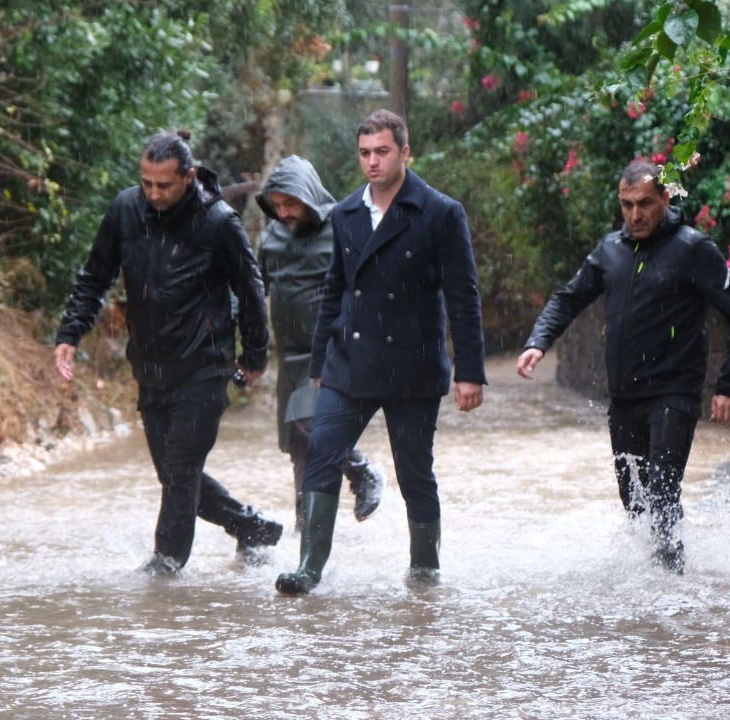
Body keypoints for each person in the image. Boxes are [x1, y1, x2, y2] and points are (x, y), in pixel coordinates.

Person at [275, 110, 487, 595]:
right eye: (365, 153)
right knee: (324, 450)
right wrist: (317, 366)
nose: (373, 162)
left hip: (414, 363)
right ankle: (309, 567)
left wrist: (470, 371)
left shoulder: (439, 212)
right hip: (349, 361)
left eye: (382, 152)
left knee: (414, 470)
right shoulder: (346, 213)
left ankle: (425, 569)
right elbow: (335, 290)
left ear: (405, 153)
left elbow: (463, 295)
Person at [53, 130, 283, 576]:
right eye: (147, 183)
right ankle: (249, 526)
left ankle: (165, 565)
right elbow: (94, 276)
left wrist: (254, 356)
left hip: (204, 367)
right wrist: (70, 331)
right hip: (151, 367)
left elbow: (251, 291)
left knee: (180, 470)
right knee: (176, 475)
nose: (154, 194)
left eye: (164, 185)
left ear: (189, 177)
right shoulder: (125, 210)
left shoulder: (219, 223)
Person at [516, 159, 730, 575]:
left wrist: (727, 387)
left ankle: (672, 592)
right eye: (626, 205)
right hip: (625, 398)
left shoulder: (692, 248)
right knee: (635, 505)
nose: (635, 215)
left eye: (644, 203)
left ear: (665, 198)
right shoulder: (610, 250)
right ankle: (648, 598)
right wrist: (539, 342)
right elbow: (567, 298)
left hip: (673, 395)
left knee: (663, 494)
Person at [255, 155, 387, 531]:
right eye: (277, 206)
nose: (284, 213)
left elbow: (371, 285)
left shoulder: (343, 226)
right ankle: (307, 536)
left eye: (291, 203)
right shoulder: (272, 237)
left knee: (310, 419)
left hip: (333, 353)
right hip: (290, 359)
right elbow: (254, 289)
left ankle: (362, 472)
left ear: (310, 196)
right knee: (302, 452)